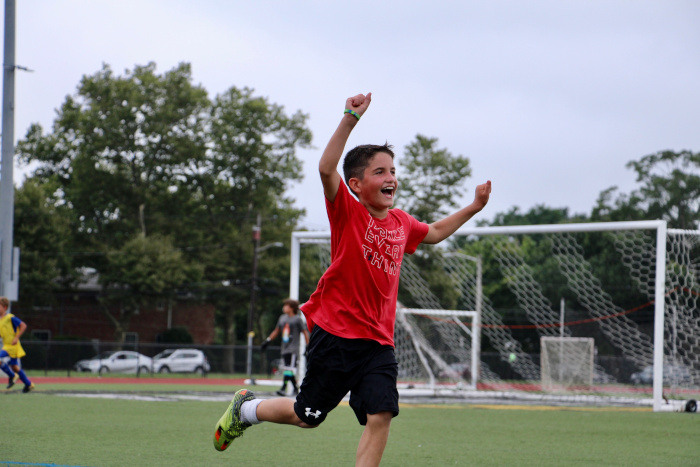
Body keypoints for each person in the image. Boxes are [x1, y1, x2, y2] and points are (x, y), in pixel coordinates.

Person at [213, 93, 491, 466]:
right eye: (380, 172)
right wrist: (349, 118)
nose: (390, 178)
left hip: (378, 342)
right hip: (336, 337)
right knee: (307, 416)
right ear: (357, 185)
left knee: (381, 414)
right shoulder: (346, 210)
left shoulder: (402, 223)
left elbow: (437, 231)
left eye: (392, 171)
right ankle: (247, 409)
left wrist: (474, 207)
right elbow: (327, 169)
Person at [260, 298, 310, 396]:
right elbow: (276, 330)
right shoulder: (282, 318)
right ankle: (295, 389)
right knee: (288, 369)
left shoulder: (297, 319)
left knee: (289, 368)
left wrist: (308, 345)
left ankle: (283, 388)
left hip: (293, 348)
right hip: (285, 348)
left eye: (286, 305)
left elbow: (305, 332)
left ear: (291, 308)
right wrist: (267, 340)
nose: (284, 307)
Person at [0, 296, 34, 393]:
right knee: (14, 366)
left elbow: (23, 325)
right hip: (7, 345)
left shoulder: (10, 317)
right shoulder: (0, 320)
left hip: (12, 346)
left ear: (5, 307)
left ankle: (12, 376)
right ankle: (29, 384)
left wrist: (16, 337)